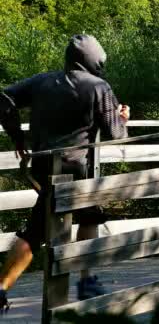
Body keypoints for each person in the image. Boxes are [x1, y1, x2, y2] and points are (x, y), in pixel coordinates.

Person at [0, 34, 130, 310]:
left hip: (44, 165)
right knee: (39, 231)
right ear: (95, 59)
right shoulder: (99, 86)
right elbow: (115, 133)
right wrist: (122, 118)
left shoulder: (41, 81)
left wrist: (18, 138)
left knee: (88, 216)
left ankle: (86, 280)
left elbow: (3, 100)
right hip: (75, 169)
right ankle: (83, 283)